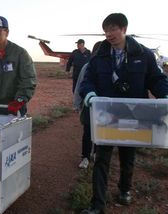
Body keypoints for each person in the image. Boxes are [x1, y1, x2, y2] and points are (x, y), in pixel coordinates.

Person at [79, 13, 168, 214]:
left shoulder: (143, 54)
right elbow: (88, 81)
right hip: (107, 116)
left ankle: (124, 190)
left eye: (113, 29)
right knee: (102, 158)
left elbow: (156, 79)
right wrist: (91, 95)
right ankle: (97, 205)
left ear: (124, 29)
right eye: (106, 30)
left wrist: (165, 94)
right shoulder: (99, 56)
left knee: (128, 155)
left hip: (134, 115)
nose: (109, 34)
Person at [73, 41, 102, 169]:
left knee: (101, 132)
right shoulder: (87, 67)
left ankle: (96, 153)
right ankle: (85, 157)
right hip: (89, 106)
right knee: (88, 132)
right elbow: (79, 86)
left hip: (104, 108)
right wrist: (77, 105)